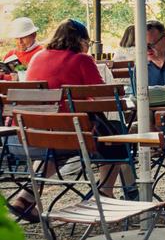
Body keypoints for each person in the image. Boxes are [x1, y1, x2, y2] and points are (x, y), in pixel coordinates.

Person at [9, 20, 121, 221]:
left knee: (60, 145)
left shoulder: (37, 57)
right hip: (67, 134)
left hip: (27, 135)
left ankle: (26, 197)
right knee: (117, 137)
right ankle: (105, 194)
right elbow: (104, 98)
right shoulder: (81, 60)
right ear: (80, 40)